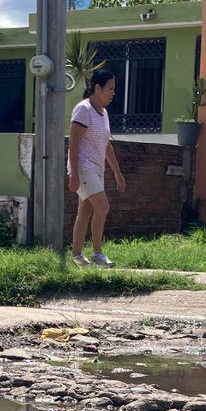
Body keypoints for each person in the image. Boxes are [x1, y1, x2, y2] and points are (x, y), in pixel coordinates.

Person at [67, 68, 126, 268]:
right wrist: (74, 174)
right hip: (83, 168)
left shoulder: (103, 113)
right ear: (98, 88)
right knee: (103, 206)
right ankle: (97, 254)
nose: (113, 93)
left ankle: (76, 256)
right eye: (110, 89)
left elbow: (106, 145)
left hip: (96, 169)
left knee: (85, 211)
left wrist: (117, 173)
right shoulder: (83, 110)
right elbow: (73, 143)